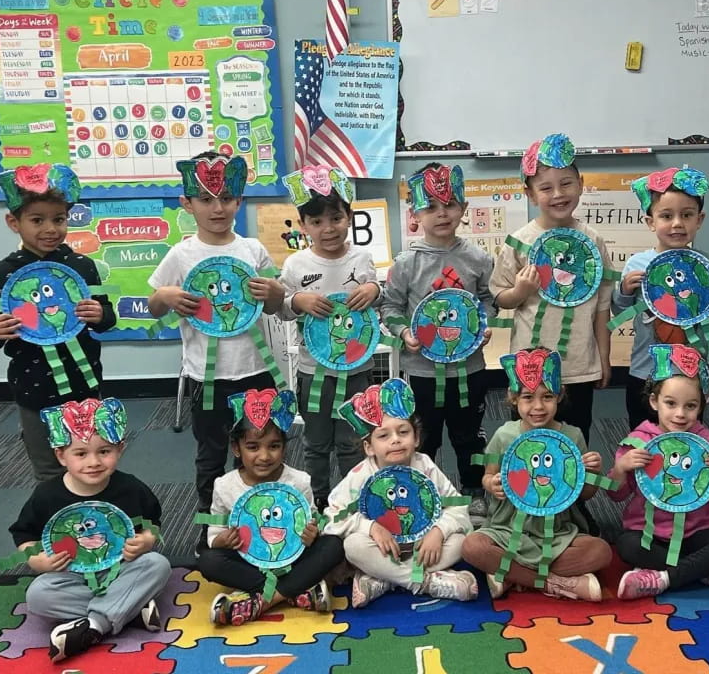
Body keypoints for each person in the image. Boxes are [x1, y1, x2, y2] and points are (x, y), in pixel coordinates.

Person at [148, 151, 285, 551]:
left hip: (256, 372)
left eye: (226, 197)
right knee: (210, 457)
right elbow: (154, 305)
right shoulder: (181, 254)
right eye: (206, 199)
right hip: (206, 379)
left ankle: (264, 517)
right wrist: (166, 296)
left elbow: (276, 306)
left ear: (239, 200)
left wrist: (275, 291)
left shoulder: (252, 250)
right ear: (187, 204)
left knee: (264, 449)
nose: (218, 207)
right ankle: (210, 530)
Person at [0, 163, 116, 482]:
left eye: (59, 219)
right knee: (48, 469)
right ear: (14, 222)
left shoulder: (82, 266)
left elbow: (106, 317)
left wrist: (100, 315)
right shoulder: (4, 273)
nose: (50, 229)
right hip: (33, 388)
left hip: (84, 385)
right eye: (37, 220)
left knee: (93, 462)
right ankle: (57, 526)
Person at [8, 397, 170, 662]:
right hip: (71, 576)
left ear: (120, 449)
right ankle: (128, 609)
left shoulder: (130, 488)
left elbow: (152, 524)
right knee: (37, 596)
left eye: (104, 451)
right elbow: (24, 535)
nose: (93, 462)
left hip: (120, 571)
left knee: (157, 564)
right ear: (61, 455)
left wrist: (146, 540)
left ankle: (94, 625)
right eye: (81, 453)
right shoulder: (46, 495)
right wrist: (38, 560)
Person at [381, 162, 495, 522]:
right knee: (423, 437)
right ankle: (418, 491)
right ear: (414, 214)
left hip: (469, 369)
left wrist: (484, 323)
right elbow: (390, 305)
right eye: (429, 206)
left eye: (449, 204)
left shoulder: (478, 259)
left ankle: (474, 490)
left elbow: (489, 300)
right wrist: (403, 332)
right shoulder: (406, 263)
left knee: (469, 437)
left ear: (463, 208)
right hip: (422, 371)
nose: (441, 213)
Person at [490, 133, 613, 444]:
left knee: (575, 439)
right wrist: (519, 291)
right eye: (546, 187)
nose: (558, 194)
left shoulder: (593, 241)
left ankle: (572, 493)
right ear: (530, 195)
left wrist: (604, 359)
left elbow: (601, 309)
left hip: (578, 366)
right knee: (526, 441)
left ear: (581, 183)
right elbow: (499, 295)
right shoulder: (519, 242)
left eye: (566, 183)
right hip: (530, 369)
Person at [461, 348, 612, 601]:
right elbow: (487, 477)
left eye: (548, 397)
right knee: (471, 546)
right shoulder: (504, 435)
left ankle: (510, 575)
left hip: (557, 531)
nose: (538, 407)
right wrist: (492, 484)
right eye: (528, 397)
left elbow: (584, 494)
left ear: (560, 396)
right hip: (507, 528)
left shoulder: (572, 436)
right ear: (513, 399)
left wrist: (592, 473)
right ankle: (556, 583)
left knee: (601, 552)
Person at [323, 378, 477, 608]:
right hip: (381, 550)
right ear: (369, 447)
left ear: (415, 438)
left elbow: (457, 505)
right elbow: (333, 515)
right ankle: (422, 582)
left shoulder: (424, 465)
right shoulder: (361, 474)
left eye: (403, 432)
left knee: (461, 541)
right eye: (383, 436)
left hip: (423, 548)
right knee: (353, 546)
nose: (395, 440)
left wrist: (438, 531)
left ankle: (384, 580)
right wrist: (370, 528)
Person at [608, 345, 709, 600]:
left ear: (702, 406)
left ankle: (663, 578)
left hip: (697, 531)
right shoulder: (638, 442)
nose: (680, 414)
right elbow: (616, 496)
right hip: (649, 531)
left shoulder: (705, 440)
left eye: (691, 406)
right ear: (654, 401)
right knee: (627, 545)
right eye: (670, 404)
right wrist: (620, 468)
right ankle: (705, 571)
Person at [278, 166, 379, 511]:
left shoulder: (362, 258)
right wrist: (297, 301)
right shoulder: (295, 265)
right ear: (303, 225)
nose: (328, 228)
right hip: (313, 370)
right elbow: (281, 309)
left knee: (353, 440)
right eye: (317, 222)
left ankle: (352, 497)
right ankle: (318, 498)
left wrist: (373, 289)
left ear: (348, 217)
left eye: (335, 218)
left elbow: (375, 298)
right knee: (316, 441)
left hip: (356, 370)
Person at [198, 388, 345, 625]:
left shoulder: (300, 481)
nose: (264, 456)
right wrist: (223, 540)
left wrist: (312, 533)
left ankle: (262, 601)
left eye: (274, 446)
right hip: (249, 562)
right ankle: (296, 592)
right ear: (237, 449)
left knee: (334, 545)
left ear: (285, 447)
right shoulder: (224, 486)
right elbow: (213, 537)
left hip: (292, 559)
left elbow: (314, 522)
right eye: (253, 447)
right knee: (208, 561)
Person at [612, 167, 709, 430]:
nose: (677, 224)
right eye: (666, 216)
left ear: (699, 220)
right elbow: (619, 310)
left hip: (690, 371)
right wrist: (624, 290)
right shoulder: (638, 263)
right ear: (651, 222)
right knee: (642, 432)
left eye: (686, 215)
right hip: (644, 368)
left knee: (690, 430)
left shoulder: (702, 264)